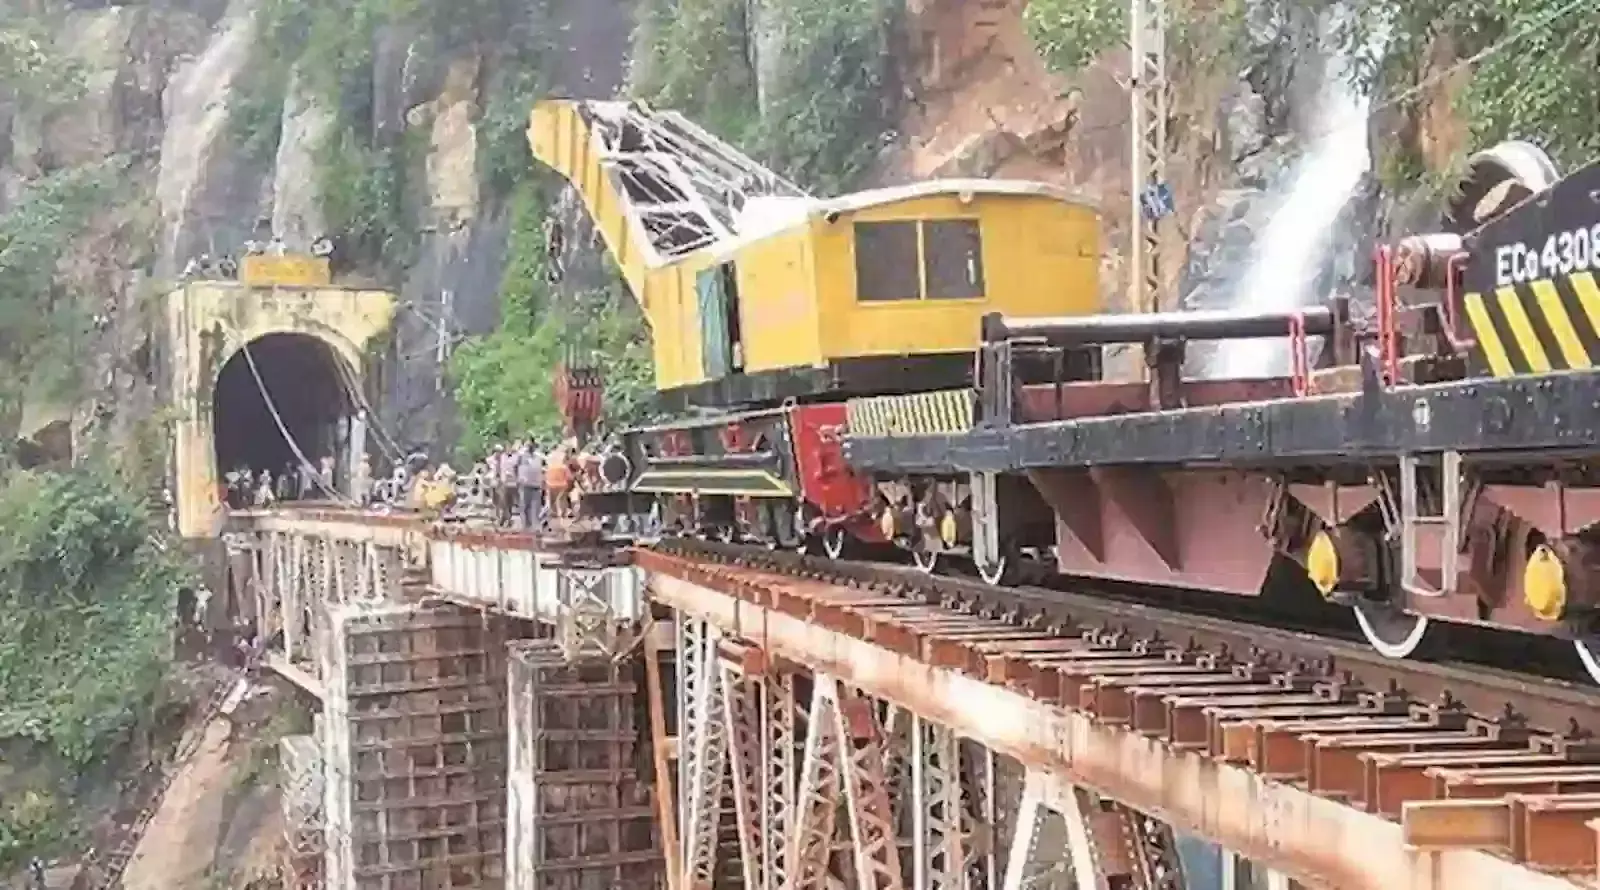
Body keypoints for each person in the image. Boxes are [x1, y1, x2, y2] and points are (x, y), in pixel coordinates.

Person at [516, 439, 545, 530]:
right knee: (525, 506)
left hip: (536, 485)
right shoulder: (521, 455)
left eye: (532, 445)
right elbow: (515, 466)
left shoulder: (538, 456)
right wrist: (518, 478)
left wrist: (542, 481)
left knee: (536, 507)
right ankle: (526, 526)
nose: (530, 447)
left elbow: (543, 467)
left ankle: (534, 526)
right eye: (528, 445)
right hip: (525, 484)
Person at [495, 443, 518, 526]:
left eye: (510, 447)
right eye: (507, 448)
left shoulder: (515, 457)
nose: (508, 449)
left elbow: (517, 468)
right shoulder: (502, 457)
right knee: (503, 501)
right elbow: (498, 467)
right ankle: (506, 518)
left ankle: (506, 519)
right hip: (504, 481)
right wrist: (497, 477)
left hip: (513, 482)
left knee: (509, 502)